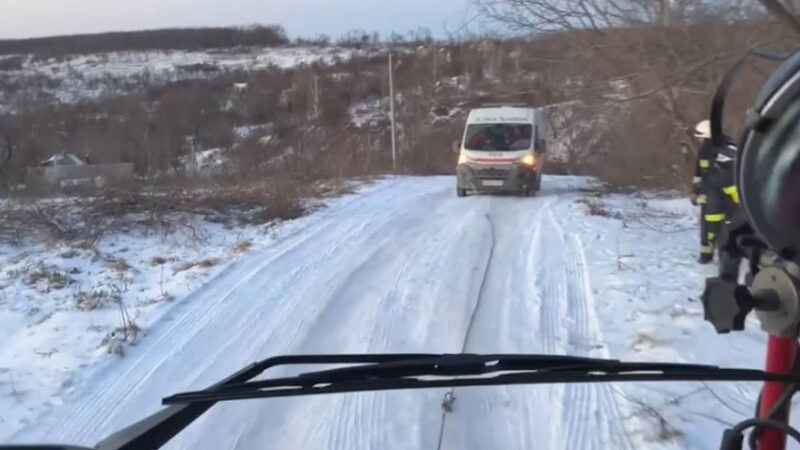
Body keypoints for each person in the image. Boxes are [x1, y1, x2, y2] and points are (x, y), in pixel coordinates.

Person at [691, 120, 719, 264]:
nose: (699, 139)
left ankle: (706, 256)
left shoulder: (706, 150)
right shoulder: (727, 146)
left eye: (700, 136)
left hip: (709, 197)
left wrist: (695, 192)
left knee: (707, 227)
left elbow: (699, 174)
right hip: (727, 198)